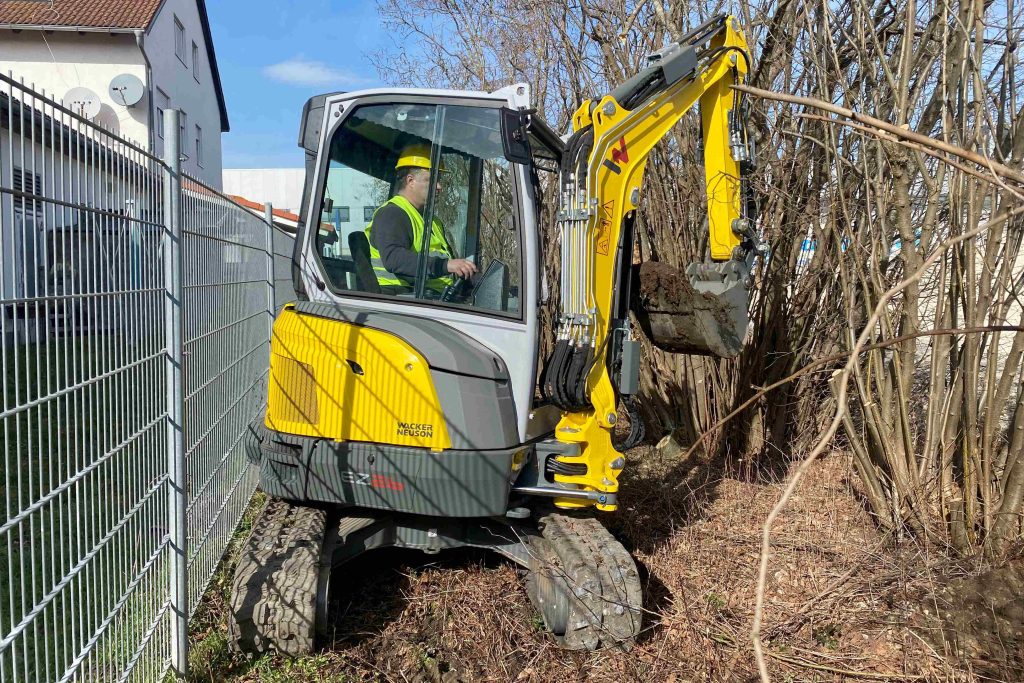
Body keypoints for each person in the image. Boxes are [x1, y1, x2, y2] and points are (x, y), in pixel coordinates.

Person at [365, 143, 477, 294]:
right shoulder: (391, 214)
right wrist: (445, 265)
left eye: (439, 180)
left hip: (434, 298)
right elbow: (393, 259)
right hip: (403, 300)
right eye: (432, 180)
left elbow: (449, 265)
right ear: (410, 181)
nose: (439, 187)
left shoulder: (433, 222)